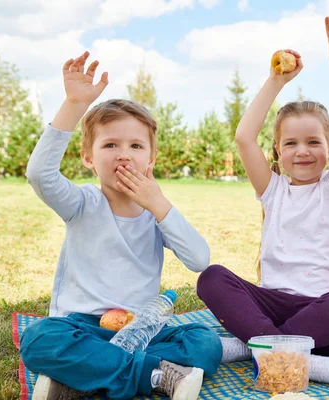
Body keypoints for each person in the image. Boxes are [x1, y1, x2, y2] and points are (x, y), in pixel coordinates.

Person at [20, 51, 221, 400]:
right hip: (80, 327)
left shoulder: (157, 213)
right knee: (39, 339)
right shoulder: (81, 203)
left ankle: (82, 376)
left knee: (204, 343)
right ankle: (156, 375)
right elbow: (39, 174)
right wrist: (73, 103)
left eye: (136, 146)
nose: (124, 154)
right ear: (88, 157)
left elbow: (200, 260)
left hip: (141, 329)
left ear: (151, 158)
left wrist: (158, 204)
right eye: (110, 144)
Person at [197, 16, 329, 389]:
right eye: (290, 143)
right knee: (212, 278)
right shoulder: (273, 190)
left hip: (324, 314)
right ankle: (283, 355)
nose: (301, 151)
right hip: (272, 303)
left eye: (313, 142)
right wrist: (275, 82)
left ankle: (254, 345)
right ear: (277, 149)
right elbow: (243, 137)